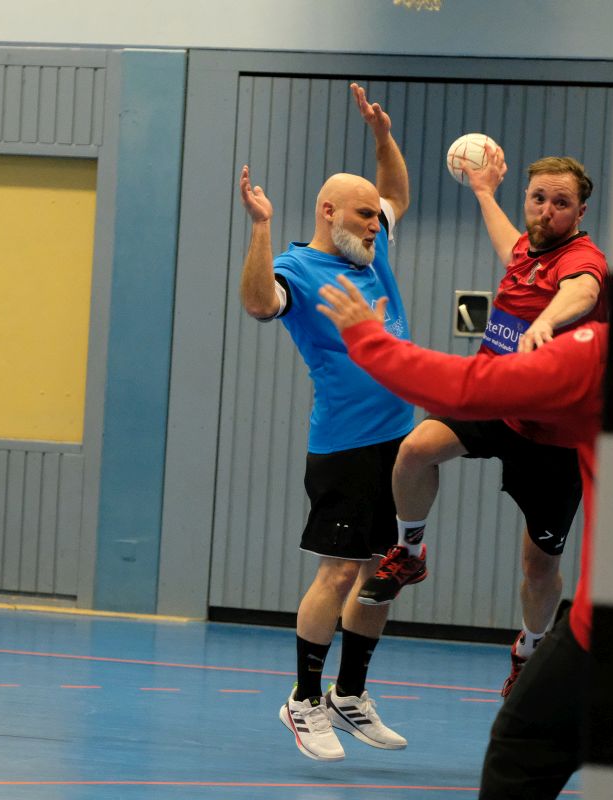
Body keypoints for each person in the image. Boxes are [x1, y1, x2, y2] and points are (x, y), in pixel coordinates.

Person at [318, 192, 613, 798]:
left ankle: (413, 548)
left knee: (519, 756)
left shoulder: (608, 356)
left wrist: (369, 339)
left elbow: (463, 387)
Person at [358, 147, 610, 697]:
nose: (546, 211)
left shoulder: (582, 259)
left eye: (560, 203)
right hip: (497, 398)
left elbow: (583, 289)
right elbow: (507, 242)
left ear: (580, 212)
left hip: (554, 437)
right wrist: (482, 192)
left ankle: (530, 649)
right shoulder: (526, 251)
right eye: (538, 198)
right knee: (415, 450)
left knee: (537, 569)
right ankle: (410, 552)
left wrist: (546, 322)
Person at [238, 83, 414, 762]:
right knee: (339, 573)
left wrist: (382, 138)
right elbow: (259, 304)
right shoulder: (298, 268)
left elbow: (395, 191)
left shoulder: (372, 251)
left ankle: (350, 694)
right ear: (328, 211)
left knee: (382, 573)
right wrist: (260, 227)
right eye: (364, 215)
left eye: (376, 217)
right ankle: (304, 700)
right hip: (345, 444)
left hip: (399, 442)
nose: (375, 224)